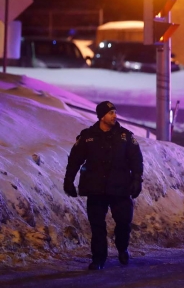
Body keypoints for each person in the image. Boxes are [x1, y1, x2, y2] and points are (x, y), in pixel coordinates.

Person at [63, 101, 144, 270]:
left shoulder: (125, 136)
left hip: (120, 188)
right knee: (97, 225)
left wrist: (137, 180)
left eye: (115, 112)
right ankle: (98, 259)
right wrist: (69, 179)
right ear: (101, 116)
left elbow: (136, 160)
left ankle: (122, 248)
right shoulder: (87, 136)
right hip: (96, 188)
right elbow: (75, 159)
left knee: (123, 222)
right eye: (111, 113)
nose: (114, 116)